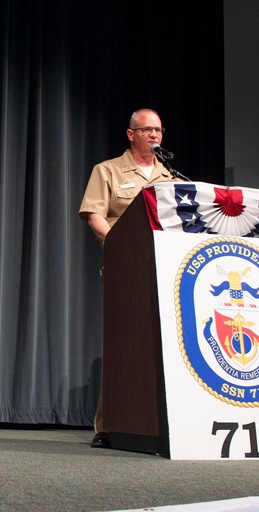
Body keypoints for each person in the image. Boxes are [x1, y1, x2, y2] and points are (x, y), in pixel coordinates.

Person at [79, 108, 175, 448]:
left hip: (164, 269)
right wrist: (119, 248)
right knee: (124, 346)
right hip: (124, 269)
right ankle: (109, 426)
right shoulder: (108, 171)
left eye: (158, 130)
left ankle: (160, 423)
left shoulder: (171, 179)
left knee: (161, 348)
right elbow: (94, 215)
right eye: (146, 129)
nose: (154, 135)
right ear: (130, 134)